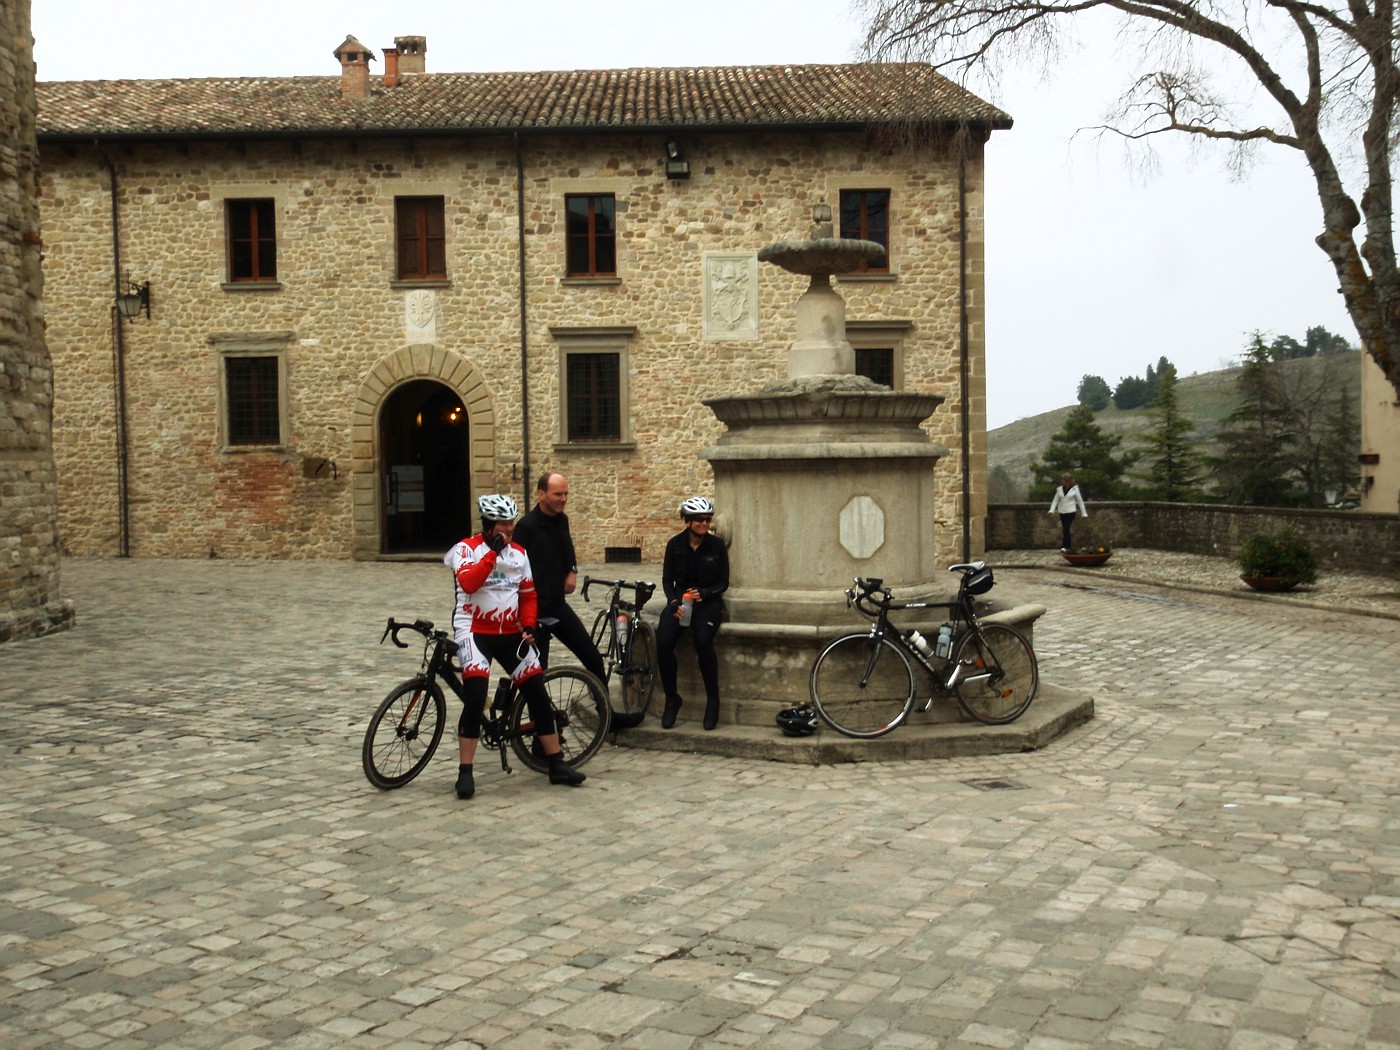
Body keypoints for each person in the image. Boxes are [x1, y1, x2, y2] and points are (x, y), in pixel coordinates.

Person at [443, 493, 586, 799]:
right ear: (487, 524)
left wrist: (529, 625)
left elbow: (528, 595)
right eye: (501, 524)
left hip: (510, 633)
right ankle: (465, 771)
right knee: (476, 695)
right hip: (473, 631)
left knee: (537, 690)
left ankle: (556, 763)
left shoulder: (519, 554)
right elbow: (469, 583)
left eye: (510, 524)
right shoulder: (465, 550)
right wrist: (492, 554)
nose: (507, 530)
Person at [512, 472, 608, 684]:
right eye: (558, 494)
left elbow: (569, 551)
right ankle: (538, 715)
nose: (563, 499)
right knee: (537, 673)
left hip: (557, 605)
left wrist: (572, 570)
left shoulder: (562, 521)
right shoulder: (525, 528)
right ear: (542, 495)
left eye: (566, 494)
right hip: (535, 610)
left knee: (592, 657)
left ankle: (606, 710)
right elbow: (514, 570)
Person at [656, 496, 729, 731]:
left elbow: (724, 582)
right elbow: (667, 580)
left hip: (707, 603)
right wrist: (674, 602)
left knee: (703, 640)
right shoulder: (674, 545)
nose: (704, 524)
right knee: (664, 641)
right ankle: (672, 698)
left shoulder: (716, 546)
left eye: (708, 520)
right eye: (699, 520)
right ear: (687, 521)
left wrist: (706, 593)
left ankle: (713, 699)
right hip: (681, 601)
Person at [1048, 473, 1088, 551]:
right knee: (1065, 528)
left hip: (1071, 511)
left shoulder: (1075, 489)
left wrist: (1084, 513)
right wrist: (1052, 509)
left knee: (1066, 527)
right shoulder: (1059, 489)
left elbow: (1080, 501)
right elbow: (1055, 500)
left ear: (1070, 481)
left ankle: (1066, 546)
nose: (1065, 482)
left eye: (1067, 481)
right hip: (1062, 511)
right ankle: (1066, 545)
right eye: (1064, 480)